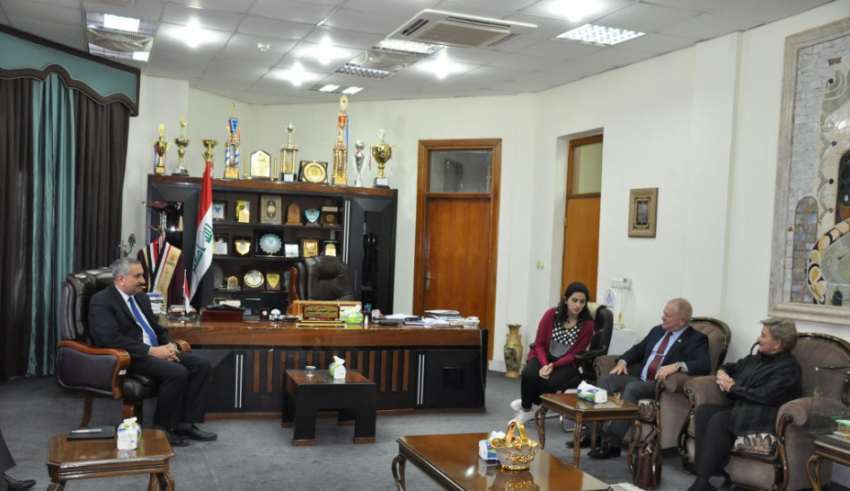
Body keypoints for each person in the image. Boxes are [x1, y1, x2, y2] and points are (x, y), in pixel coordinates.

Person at [88, 258, 217, 447]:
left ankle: (185, 424)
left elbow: (157, 328)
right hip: (130, 356)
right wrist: (152, 351)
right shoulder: (102, 301)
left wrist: (170, 346)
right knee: (177, 372)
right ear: (121, 279)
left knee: (201, 366)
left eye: (142, 275)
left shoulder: (141, 297)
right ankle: (162, 428)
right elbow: (108, 339)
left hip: (156, 350)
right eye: (137, 276)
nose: (143, 280)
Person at [688, 318, 801, 491]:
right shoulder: (757, 358)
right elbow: (731, 366)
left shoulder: (788, 368)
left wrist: (732, 387)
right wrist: (722, 373)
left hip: (764, 417)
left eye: (763, 335)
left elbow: (764, 395)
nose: (758, 338)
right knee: (704, 411)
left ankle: (702, 481)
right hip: (743, 409)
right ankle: (709, 471)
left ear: (777, 343)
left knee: (720, 419)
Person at [590, 298, 710, 459]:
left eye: (667, 315)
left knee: (632, 389)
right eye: (663, 313)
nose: (662, 317)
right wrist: (623, 361)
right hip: (640, 377)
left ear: (681, 321)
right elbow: (637, 349)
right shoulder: (657, 331)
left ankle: (612, 443)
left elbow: (704, 364)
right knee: (607, 380)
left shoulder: (696, 339)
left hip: (658, 384)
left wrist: (678, 366)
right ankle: (592, 434)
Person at [509, 282, 595, 423]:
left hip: (566, 362)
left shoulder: (588, 324)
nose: (578, 305)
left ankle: (532, 404)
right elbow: (539, 344)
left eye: (582, 302)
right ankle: (526, 407)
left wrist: (554, 365)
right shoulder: (551, 314)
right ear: (566, 300)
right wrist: (545, 364)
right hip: (543, 356)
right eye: (574, 300)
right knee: (529, 374)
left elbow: (575, 353)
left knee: (549, 382)